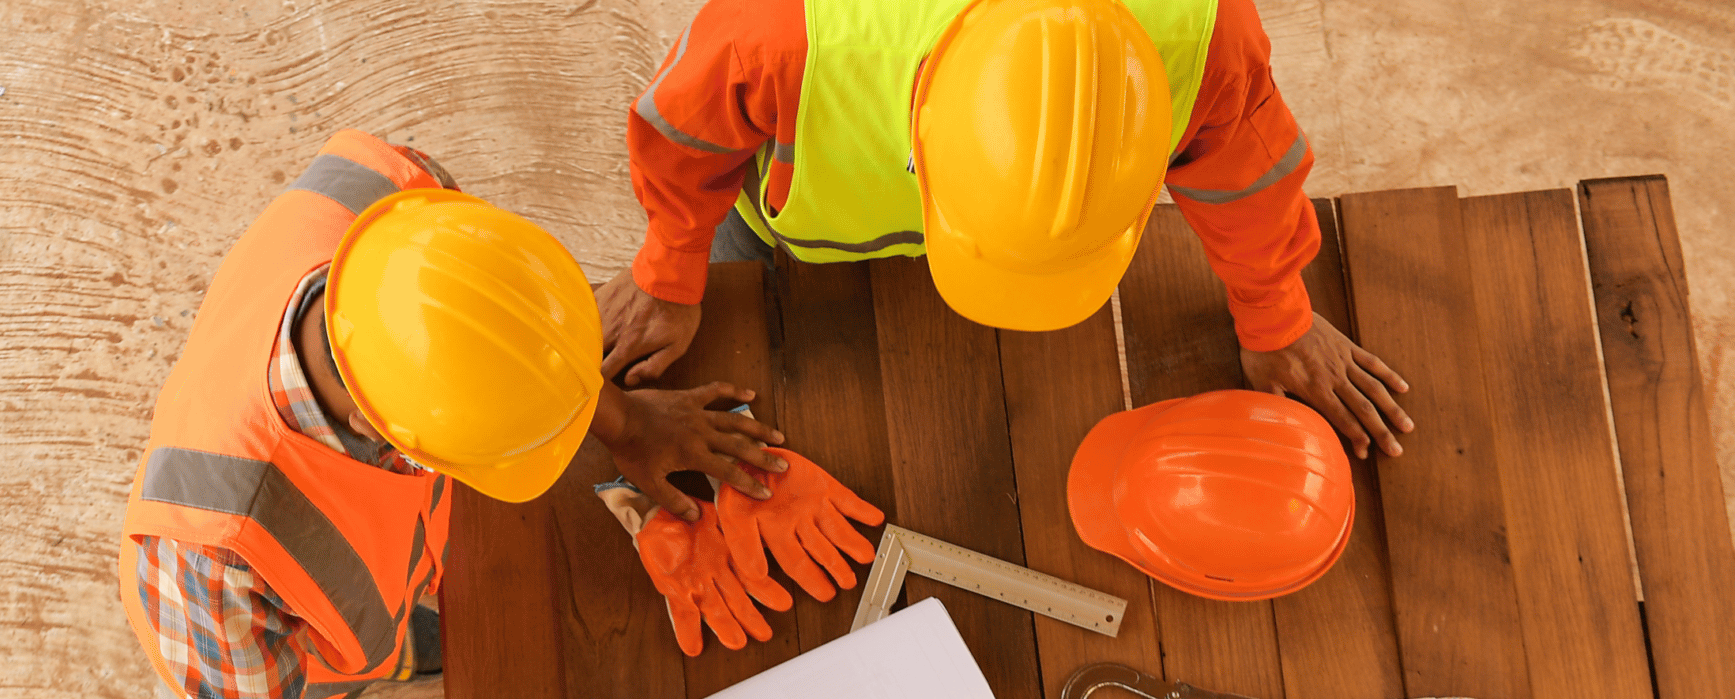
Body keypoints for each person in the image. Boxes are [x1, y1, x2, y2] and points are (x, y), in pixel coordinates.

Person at [125, 131, 790, 699]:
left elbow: (499, 334)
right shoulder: (210, 555)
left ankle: (389, 643)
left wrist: (619, 417)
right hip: (247, 662)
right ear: (394, 439)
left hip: (365, 586)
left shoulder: (393, 192)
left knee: (380, 618)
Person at [596, 0, 1417, 460]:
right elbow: (682, 131)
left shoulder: (1205, 35)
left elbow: (1250, 169)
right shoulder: (782, 33)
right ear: (921, 137)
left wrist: (1276, 314)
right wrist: (671, 264)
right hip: (779, 232)